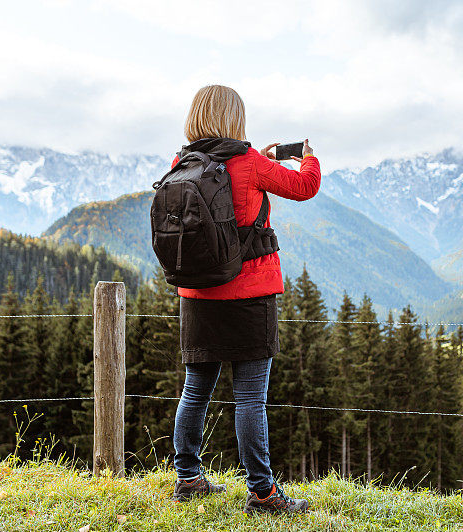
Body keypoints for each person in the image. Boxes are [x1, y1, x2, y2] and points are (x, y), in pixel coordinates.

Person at [170, 85, 320, 514]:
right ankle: (262, 492)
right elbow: (305, 186)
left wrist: (264, 160)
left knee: (195, 390)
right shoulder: (250, 163)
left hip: (197, 297)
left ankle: (188, 479)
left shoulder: (182, 164)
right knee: (250, 397)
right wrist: (307, 155)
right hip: (249, 294)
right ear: (236, 119)